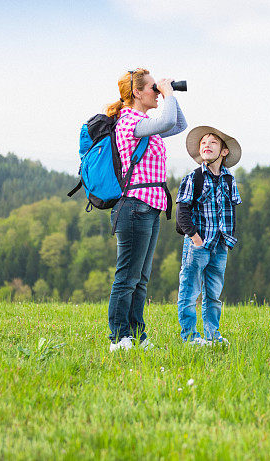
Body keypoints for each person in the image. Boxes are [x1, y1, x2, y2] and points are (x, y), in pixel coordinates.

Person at [107, 68, 187, 351]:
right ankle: (118, 338)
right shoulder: (129, 121)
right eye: (152, 87)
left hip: (149, 207)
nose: (156, 91)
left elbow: (178, 124)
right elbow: (167, 118)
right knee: (127, 276)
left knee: (140, 278)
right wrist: (168, 94)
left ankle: (137, 335)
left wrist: (169, 95)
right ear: (137, 93)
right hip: (133, 207)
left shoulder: (144, 123)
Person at [175, 125, 242, 345]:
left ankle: (213, 335)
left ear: (224, 151)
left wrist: (227, 239)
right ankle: (190, 338)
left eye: (213, 142)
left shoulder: (229, 179)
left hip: (219, 245)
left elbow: (231, 209)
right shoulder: (193, 178)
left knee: (213, 294)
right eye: (203, 142)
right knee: (190, 291)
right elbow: (182, 212)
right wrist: (195, 238)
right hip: (198, 243)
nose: (206, 145)